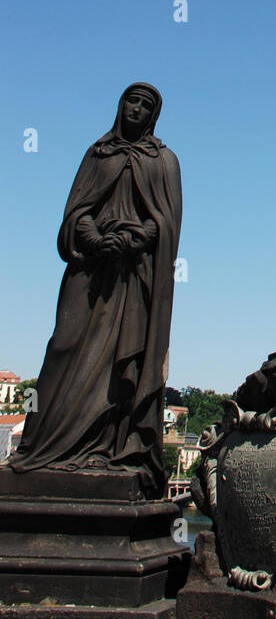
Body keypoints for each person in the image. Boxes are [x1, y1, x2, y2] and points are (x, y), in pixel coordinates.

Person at [5, 83, 182, 496]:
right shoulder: (97, 153)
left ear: (154, 115)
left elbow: (167, 223)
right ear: (120, 105)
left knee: (125, 361)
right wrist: (94, 236)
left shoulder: (164, 161)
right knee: (63, 346)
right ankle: (41, 445)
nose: (136, 109)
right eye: (130, 101)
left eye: (145, 105)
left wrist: (132, 239)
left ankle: (110, 447)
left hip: (133, 277)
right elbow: (76, 211)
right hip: (90, 268)